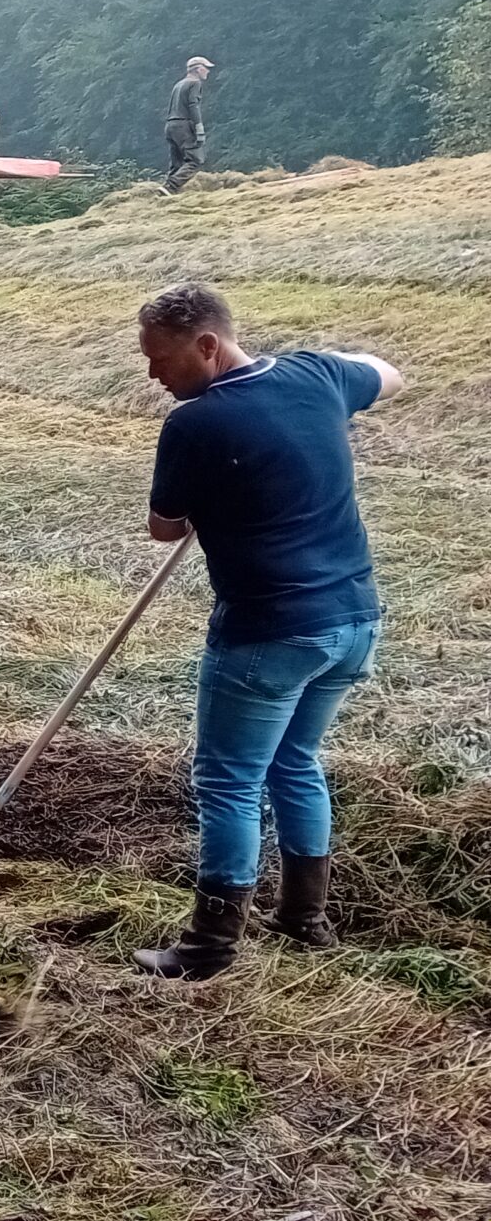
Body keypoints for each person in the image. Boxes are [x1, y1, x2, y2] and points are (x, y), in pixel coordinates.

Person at [131, 282, 404, 981]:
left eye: (160, 359)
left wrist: (218, 497)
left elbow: (164, 528)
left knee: (228, 779)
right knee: (296, 759)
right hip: (352, 621)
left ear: (207, 345)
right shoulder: (318, 373)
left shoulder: (196, 424)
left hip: (267, 634)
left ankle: (208, 947)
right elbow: (388, 373)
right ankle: (303, 918)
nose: (153, 375)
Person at [163, 57, 213, 194]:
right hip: (183, 126)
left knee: (177, 163)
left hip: (171, 125)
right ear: (198, 69)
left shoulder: (178, 84)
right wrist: (199, 128)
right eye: (206, 67)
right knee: (195, 160)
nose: (208, 71)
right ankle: (171, 186)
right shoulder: (195, 83)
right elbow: (193, 105)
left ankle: (166, 191)